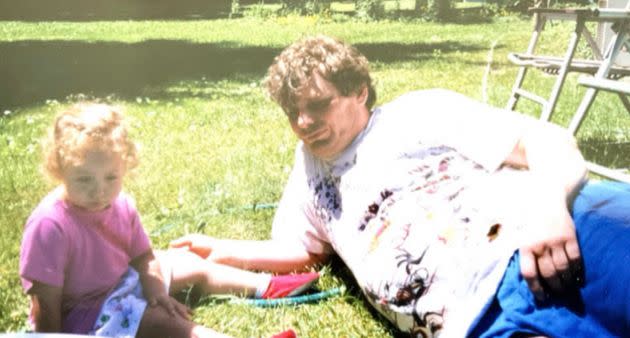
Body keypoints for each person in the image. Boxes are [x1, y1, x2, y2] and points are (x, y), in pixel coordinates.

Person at [170, 35, 630, 338]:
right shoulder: (308, 169)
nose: (303, 122)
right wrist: (220, 251)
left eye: (317, 105)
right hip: (479, 324)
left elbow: (546, 141)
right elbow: (304, 250)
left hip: (556, 236)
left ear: (359, 93)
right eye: (293, 112)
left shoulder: (416, 112)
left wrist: (549, 208)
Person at [19, 103, 318, 337]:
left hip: (120, 282)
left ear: (125, 167)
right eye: (84, 179)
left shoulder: (120, 204)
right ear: (59, 169)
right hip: (86, 315)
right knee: (166, 324)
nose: (99, 191)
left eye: (111, 177)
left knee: (185, 261)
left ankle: (263, 285)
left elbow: (144, 257)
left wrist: (156, 291)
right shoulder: (51, 225)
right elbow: (45, 303)